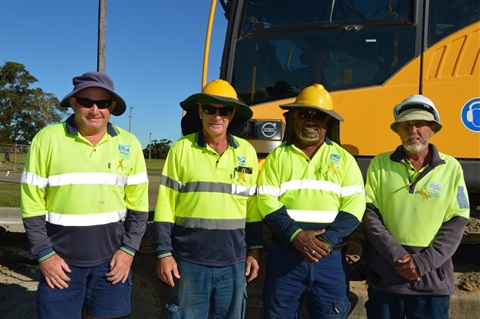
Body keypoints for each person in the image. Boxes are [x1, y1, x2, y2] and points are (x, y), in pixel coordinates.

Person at [20, 71, 149, 319]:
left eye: (102, 103)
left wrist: (128, 251)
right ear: (73, 103)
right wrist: (45, 255)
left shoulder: (130, 144)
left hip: (112, 264)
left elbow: (139, 207)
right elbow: (31, 204)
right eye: (86, 102)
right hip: (60, 264)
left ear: (111, 106)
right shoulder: (46, 139)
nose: (94, 110)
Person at [153, 79, 263, 318]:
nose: (217, 116)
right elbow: (165, 206)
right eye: (210, 109)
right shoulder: (181, 149)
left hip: (234, 264)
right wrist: (164, 253)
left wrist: (255, 250)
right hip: (189, 263)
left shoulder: (247, 152)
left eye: (224, 111)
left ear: (232, 115)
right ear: (200, 111)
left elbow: (253, 208)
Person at [257, 83, 366, 318]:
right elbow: (266, 200)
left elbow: (355, 204)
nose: (311, 120)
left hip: (330, 260)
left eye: (318, 115)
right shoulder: (278, 157)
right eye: (304, 113)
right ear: (293, 116)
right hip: (286, 259)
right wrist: (296, 235)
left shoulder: (344, 160)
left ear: (328, 121)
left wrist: (327, 240)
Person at [362, 94, 470, 318]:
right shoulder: (379, 164)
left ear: (432, 129)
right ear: (398, 130)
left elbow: (457, 221)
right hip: (387, 278)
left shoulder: (451, 168)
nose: (413, 130)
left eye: (420, 124)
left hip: (431, 280)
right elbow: (370, 215)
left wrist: (423, 262)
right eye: (407, 125)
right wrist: (398, 257)